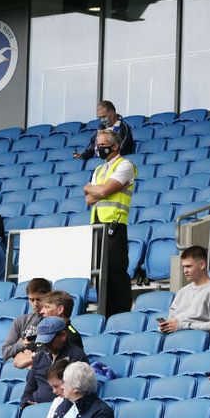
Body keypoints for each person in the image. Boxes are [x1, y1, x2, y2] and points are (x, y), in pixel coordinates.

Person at [83, 128, 135, 315]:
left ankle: (120, 312)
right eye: (98, 145)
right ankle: (104, 313)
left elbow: (102, 192)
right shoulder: (99, 169)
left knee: (115, 271)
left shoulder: (125, 165)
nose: (100, 149)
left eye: (104, 145)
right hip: (97, 225)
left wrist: (92, 188)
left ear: (116, 145)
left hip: (114, 224)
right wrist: (94, 190)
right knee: (100, 274)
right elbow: (89, 199)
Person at [157, 245, 210, 334]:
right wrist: (165, 327)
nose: (185, 270)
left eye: (188, 266)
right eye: (183, 267)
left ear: (202, 265)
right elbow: (172, 320)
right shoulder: (182, 292)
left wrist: (183, 326)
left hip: (197, 340)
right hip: (174, 339)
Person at [22, 317, 88, 405]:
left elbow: (79, 393)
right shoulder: (40, 356)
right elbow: (28, 391)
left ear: (63, 335)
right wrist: (26, 405)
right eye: (43, 341)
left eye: (49, 340)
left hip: (63, 410)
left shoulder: (77, 357)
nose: (46, 345)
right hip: (36, 408)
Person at [1, 277, 52, 364]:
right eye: (32, 300)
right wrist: (21, 344)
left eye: (39, 299)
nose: (35, 304)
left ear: (48, 298)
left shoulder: (54, 322)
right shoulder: (20, 321)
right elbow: (5, 353)